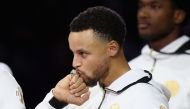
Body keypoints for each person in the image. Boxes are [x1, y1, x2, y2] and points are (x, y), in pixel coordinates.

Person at [35, 6, 170, 109]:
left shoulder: (144, 99)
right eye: (74, 53)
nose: (75, 63)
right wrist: (56, 101)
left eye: (83, 54)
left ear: (112, 48)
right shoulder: (80, 96)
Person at [129, 0, 190, 109]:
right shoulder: (129, 67)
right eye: (141, 6)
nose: (142, 14)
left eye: (155, 6)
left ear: (178, 16)